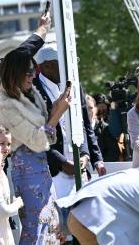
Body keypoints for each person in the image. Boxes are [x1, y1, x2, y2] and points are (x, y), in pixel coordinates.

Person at [0, 45, 70, 245]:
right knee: (33, 231)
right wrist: (56, 114)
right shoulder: (4, 105)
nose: (31, 76)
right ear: (13, 73)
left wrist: (52, 119)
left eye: (32, 71)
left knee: (48, 228)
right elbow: (38, 139)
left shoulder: (28, 97)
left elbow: (48, 137)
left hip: (40, 169)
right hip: (24, 169)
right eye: (27, 72)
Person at [34, 44, 106, 179]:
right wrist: (62, 163)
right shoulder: (31, 91)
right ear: (46, 66)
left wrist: (87, 155)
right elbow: (34, 136)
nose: (68, 68)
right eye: (63, 64)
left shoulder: (75, 85)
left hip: (80, 169)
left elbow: (85, 125)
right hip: (51, 173)